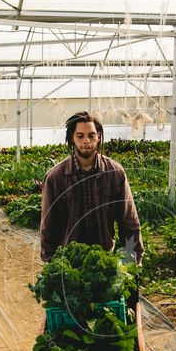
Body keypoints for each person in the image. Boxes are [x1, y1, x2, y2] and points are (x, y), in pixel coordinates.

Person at [39, 111, 144, 266]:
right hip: (69, 260)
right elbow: (48, 225)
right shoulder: (56, 177)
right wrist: (51, 263)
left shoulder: (114, 173)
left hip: (104, 259)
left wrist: (133, 260)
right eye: (80, 136)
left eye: (91, 135)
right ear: (72, 138)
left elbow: (128, 221)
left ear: (98, 137)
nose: (86, 141)